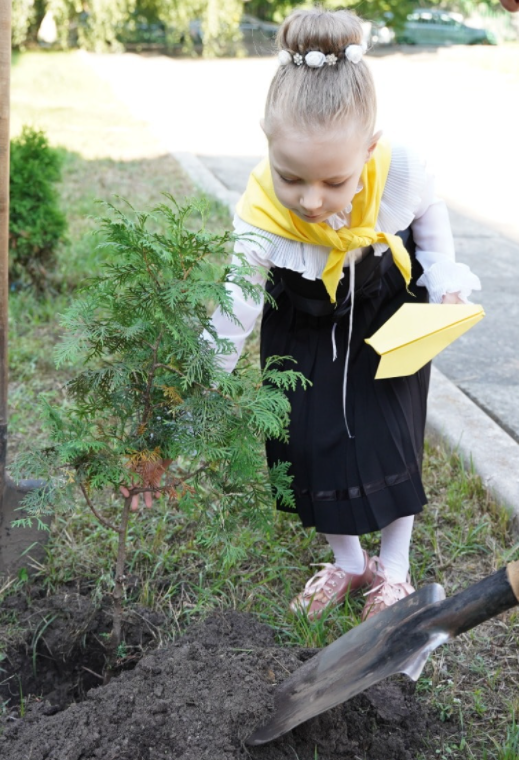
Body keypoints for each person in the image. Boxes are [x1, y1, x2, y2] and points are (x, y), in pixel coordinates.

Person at [205, 7, 481, 621]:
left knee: (391, 437)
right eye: (290, 176)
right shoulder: (260, 219)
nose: (310, 200)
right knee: (312, 443)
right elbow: (235, 308)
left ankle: (395, 569)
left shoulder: (398, 167)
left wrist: (444, 278)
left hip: (384, 313)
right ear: (267, 142)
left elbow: (430, 218)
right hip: (301, 328)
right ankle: (349, 561)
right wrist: (188, 393)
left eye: (334, 181)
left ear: (371, 147)